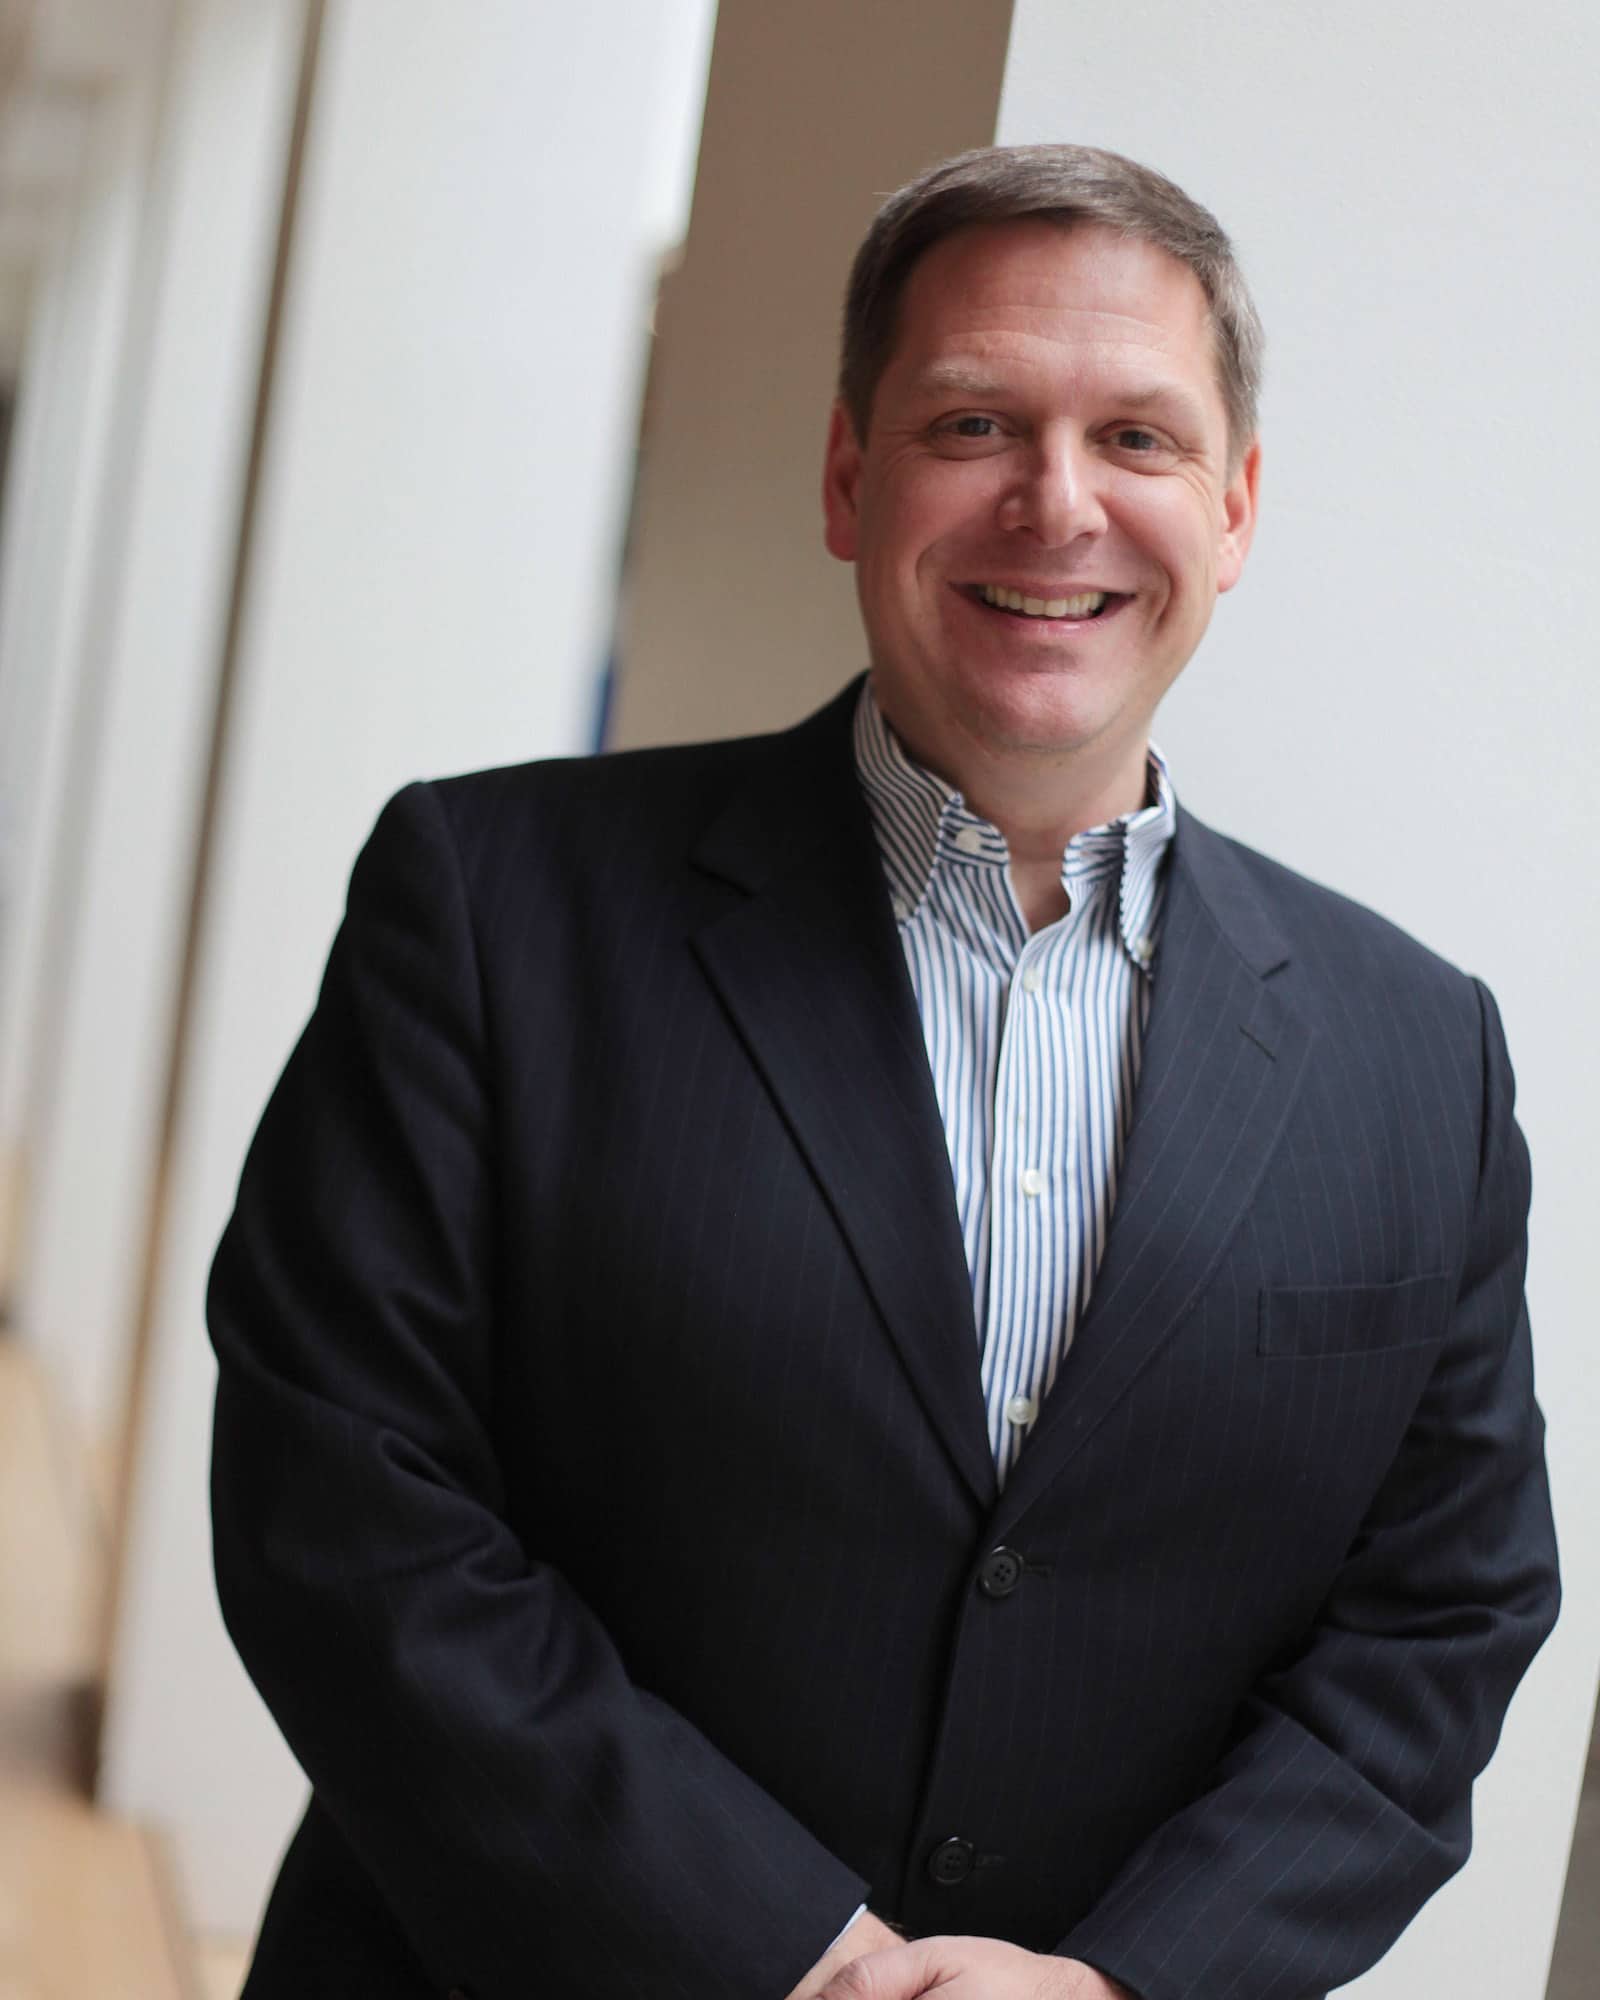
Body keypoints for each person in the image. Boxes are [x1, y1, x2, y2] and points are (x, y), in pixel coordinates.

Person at [209, 144, 1560, 2000]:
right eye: (975, 421)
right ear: (853, 477)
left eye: (1141, 442)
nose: (1057, 503)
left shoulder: (1422, 1053)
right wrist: (797, 1958)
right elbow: (341, 1505)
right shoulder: (487, 907)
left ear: (1236, 510)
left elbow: (1442, 1615)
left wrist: (1124, 1983)